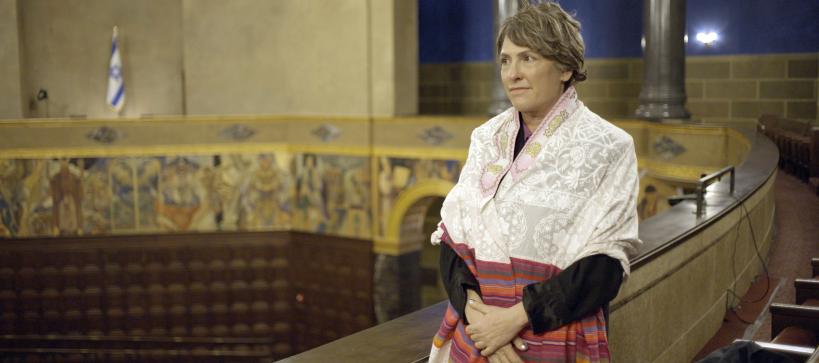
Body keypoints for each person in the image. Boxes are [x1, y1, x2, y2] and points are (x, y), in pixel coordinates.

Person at [428, 3, 641, 362]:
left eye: (528, 58)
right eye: (505, 60)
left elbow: (605, 266)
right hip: (476, 338)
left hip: (551, 334)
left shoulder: (608, 146)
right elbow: (453, 236)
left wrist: (511, 321)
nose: (512, 74)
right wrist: (477, 316)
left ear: (566, 67)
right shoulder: (486, 138)